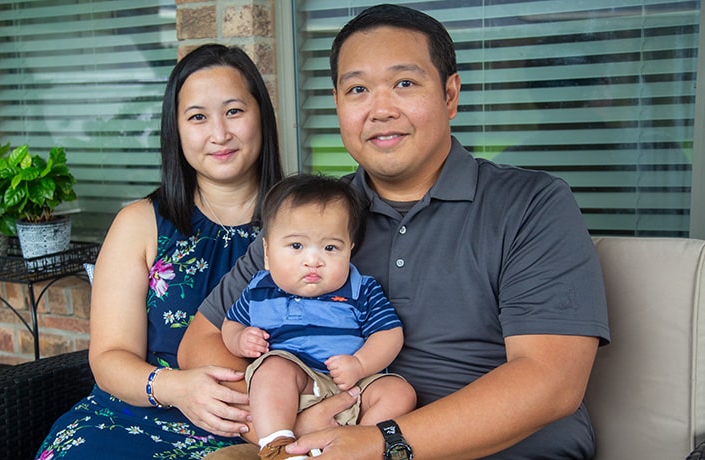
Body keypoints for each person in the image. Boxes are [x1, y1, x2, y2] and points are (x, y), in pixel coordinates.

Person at [181, 4, 610, 459]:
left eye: (405, 83)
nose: (380, 109)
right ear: (338, 105)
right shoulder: (312, 214)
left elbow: (552, 381)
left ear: (450, 95)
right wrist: (284, 426)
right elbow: (201, 342)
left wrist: (381, 443)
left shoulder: (530, 203)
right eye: (358, 89)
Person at [34, 43, 283, 459]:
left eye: (234, 111)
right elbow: (110, 357)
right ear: (177, 130)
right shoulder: (140, 223)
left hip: (257, 430)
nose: (219, 133)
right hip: (137, 416)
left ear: (261, 116)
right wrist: (177, 388)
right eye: (198, 117)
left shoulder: (306, 224)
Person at [221, 174, 416, 459]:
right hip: (296, 389)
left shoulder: (359, 289)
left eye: (330, 247)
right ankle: (279, 446)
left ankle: (359, 445)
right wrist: (240, 339)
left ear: (350, 250)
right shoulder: (259, 289)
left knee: (400, 392)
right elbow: (230, 324)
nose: (313, 260)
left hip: (354, 385)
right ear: (267, 252)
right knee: (272, 368)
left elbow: (389, 334)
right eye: (296, 246)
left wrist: (360, 365)